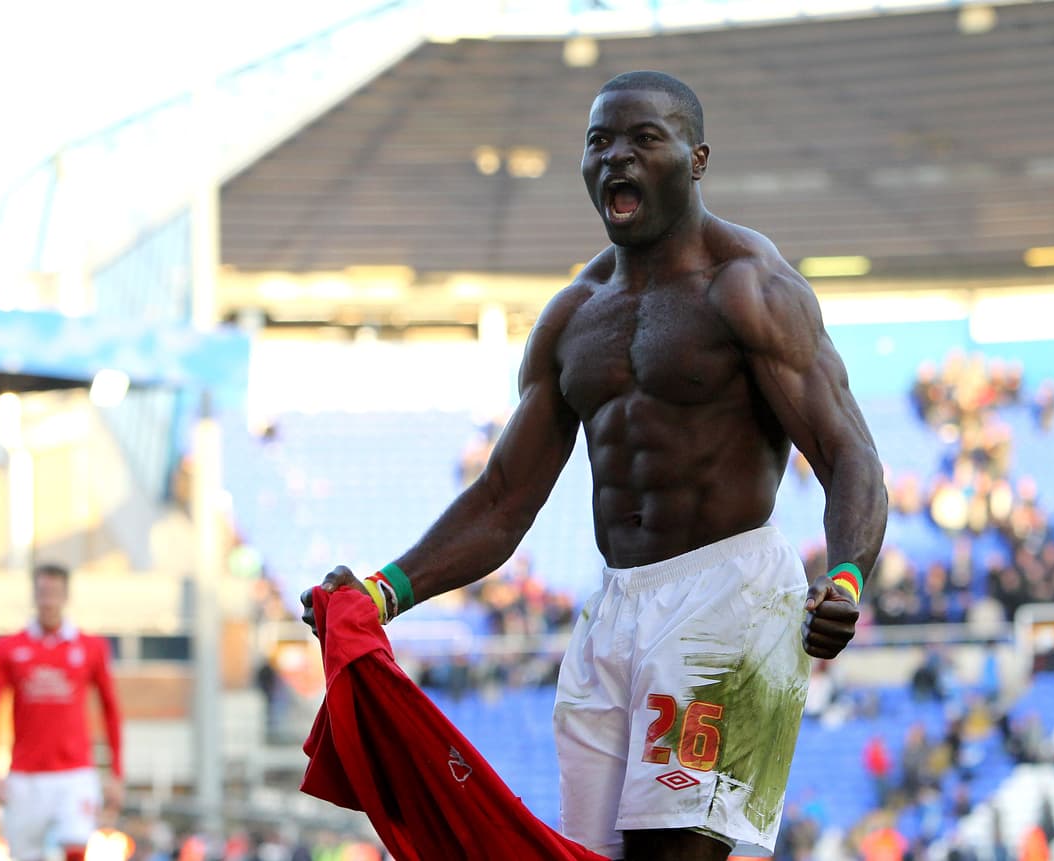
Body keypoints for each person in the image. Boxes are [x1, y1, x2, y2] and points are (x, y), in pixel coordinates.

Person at [301, 70, 887, 861]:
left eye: (645, 139)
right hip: (615, 613)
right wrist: (381, 592)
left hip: (732, 603)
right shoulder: (573, 317)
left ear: (697, 158)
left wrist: (847, 576)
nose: (618, 157)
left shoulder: (750, 288)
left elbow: (849, 452)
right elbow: (505, 497)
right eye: (599, 141)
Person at [0, 563, 124, 861]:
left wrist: (116, 772)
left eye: (55, 592)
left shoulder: (90, 647)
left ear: (65, 595)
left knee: (76, 845)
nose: (48, 600)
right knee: (25, 855)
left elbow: (111, 709)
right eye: (43, 592)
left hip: (75, 772)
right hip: (25, 776)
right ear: (34, 595)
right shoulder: (9, 647)